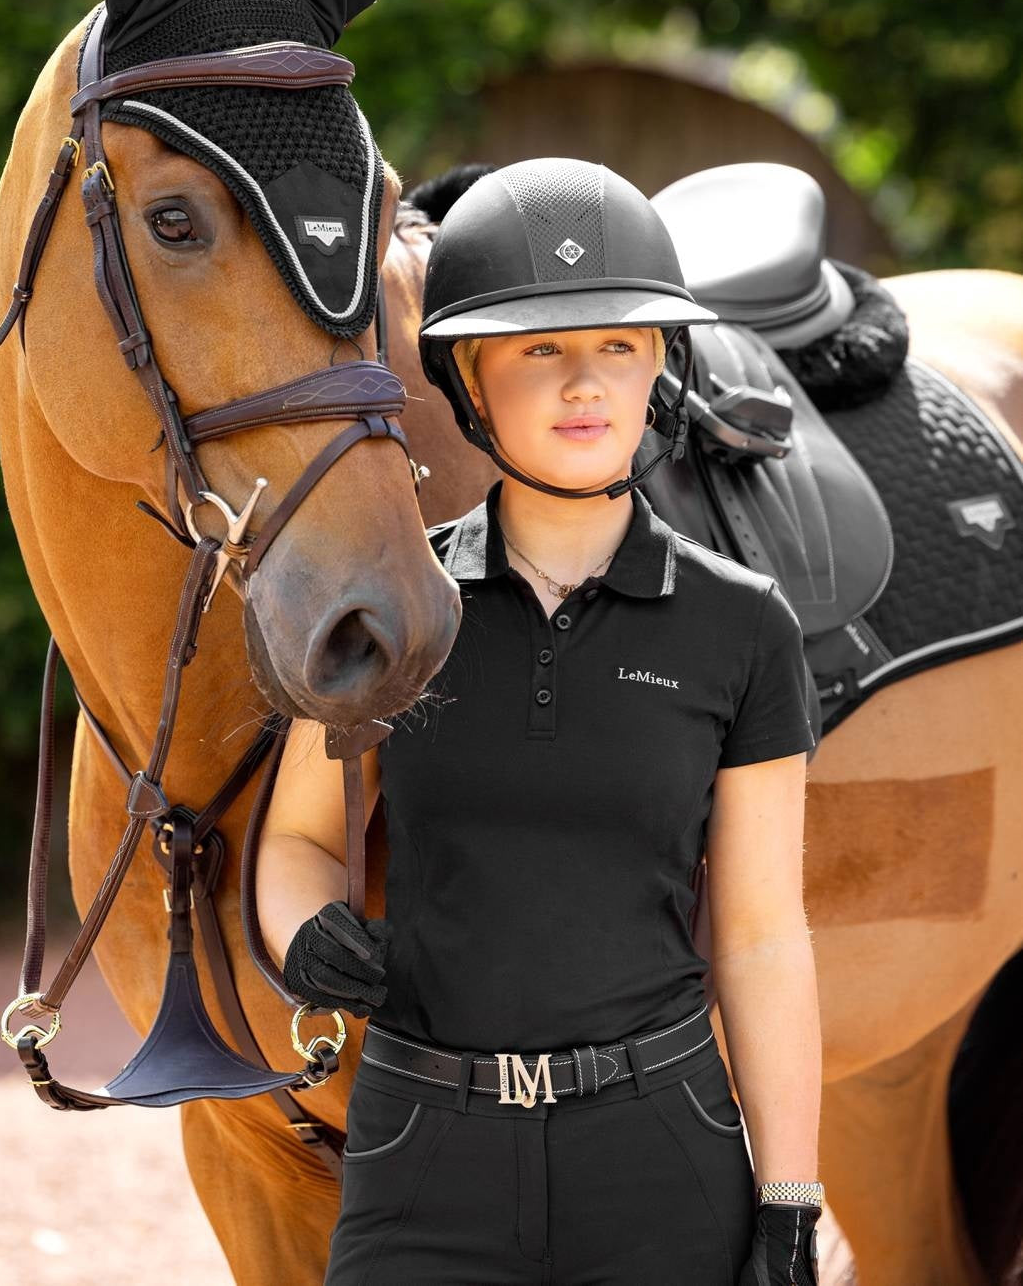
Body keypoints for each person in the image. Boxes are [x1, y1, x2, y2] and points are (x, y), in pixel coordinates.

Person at [257, 157, 824, 1285]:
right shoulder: (389, 610)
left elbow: (760, 933)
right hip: (422, 1151)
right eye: (539, 349)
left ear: (658, 364)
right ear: (469, 377)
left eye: (617, 344)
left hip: (661, 1149)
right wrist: (301, 930)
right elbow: (298, 841)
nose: (584, 384)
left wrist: (791, 1198)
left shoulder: (744, 627)